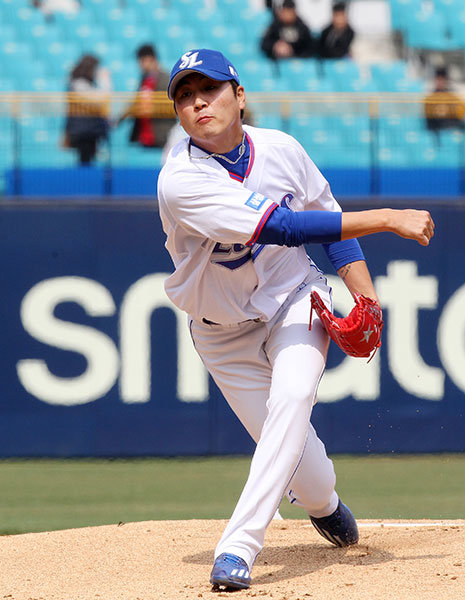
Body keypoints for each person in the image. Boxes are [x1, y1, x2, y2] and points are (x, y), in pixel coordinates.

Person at [158, 48, 434, 591]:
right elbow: (284, 227)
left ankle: (237, 548)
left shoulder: (282, 149)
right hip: (221, 333)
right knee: (307, 473)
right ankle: (323, 503)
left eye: (209, 89)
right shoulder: (181, 179)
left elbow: (331, 223)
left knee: (292, 398)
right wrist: (389, 217)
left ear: (239, 96)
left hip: (294, 298)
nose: (198, 103)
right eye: (185, 96)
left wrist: (366, 300)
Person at [116, 44, 176, 150]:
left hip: (161, 135)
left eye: (142, 61)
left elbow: (173, 105)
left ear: (152, 59)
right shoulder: (144, 79)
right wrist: (119, 119)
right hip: (144, 137)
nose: (140, 65)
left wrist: (150, 107)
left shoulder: (167, 79)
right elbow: (136, 103)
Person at [64, 54, 111, 165]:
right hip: (83, 131)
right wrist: (105, 81)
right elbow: (98, 100)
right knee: (85, 159)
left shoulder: (87, 83)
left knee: (88, 159)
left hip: (89, 130)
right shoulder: (78, 84)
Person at [423, 66, 465, 136]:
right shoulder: (430, 98)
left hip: (451, 125)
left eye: (442, 80)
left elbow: (458, 115)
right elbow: (429, 120)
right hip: (437, 127)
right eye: (438, 79)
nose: (440, 82)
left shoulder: (451, 95)